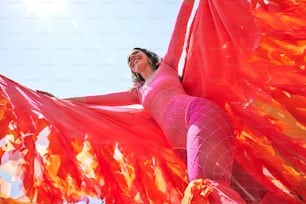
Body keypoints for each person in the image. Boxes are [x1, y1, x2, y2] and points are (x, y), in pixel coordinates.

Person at [67, 0, 235, 189]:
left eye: (136, 53)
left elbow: (181, 24)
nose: (132, 58)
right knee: (251, 193)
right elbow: (95, 100)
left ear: (148, 56)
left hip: (199, 116)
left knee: (204, 188)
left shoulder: (167, 65)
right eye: (129, 59)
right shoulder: (137, 93)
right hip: (181, 147)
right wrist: (59, 101)